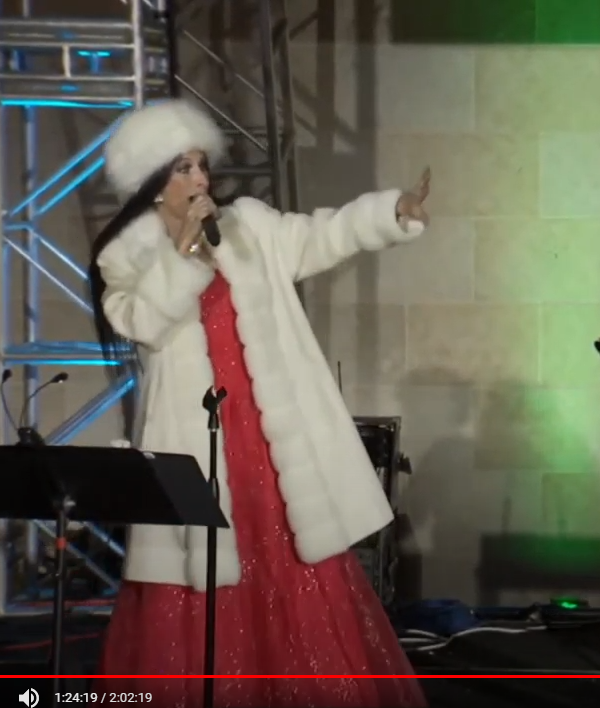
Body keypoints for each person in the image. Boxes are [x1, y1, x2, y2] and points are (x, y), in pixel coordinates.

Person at [86, 99, 429, 708]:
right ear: (153, 183)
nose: (200, 178)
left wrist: (390, 212)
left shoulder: (248, 226)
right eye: (183, 168)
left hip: (269, 435)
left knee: (292, 554)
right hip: (198, 436)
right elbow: (141, 323)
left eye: (201, 165)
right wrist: (183, 259)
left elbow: (321, 235)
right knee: (199, 573)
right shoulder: (127, 254)